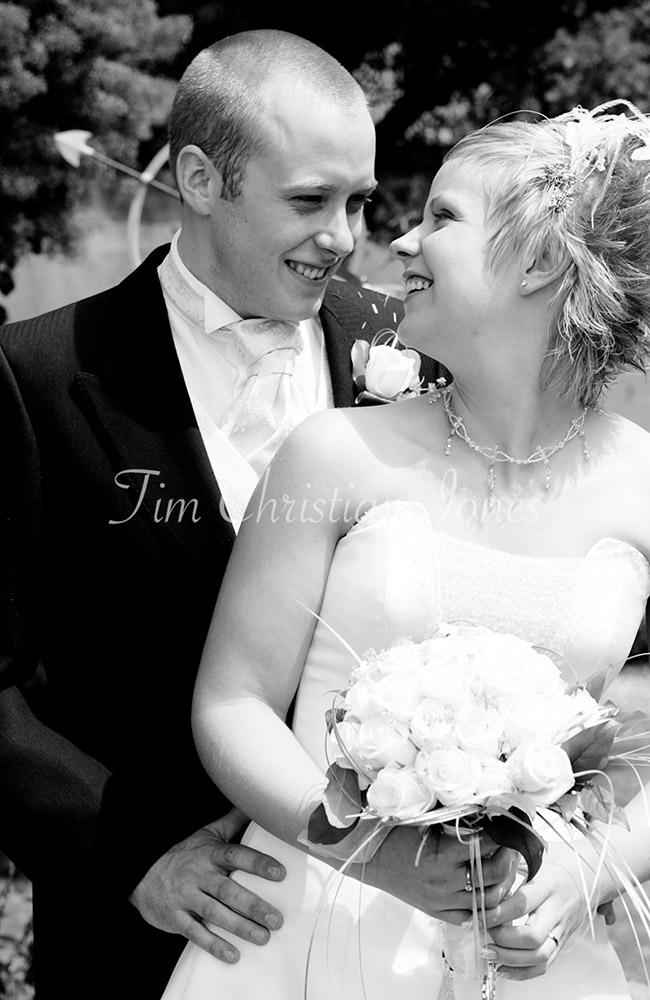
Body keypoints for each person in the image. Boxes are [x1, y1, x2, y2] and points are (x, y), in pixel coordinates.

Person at [0, 28, 470, 1000]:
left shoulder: (407, 350)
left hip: (391, 930)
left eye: (357, 202)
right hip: (151, 933)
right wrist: (126, 851)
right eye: (308, 201)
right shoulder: (36, 375)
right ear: (201, 179)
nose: (344, 237)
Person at [161, 100, 650, 1000]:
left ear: (540, 262)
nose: (400, 243)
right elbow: (233, 703)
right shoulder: (333, 453)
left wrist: (582, 877)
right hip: (315, 924)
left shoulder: (642, 482)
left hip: (525, 945)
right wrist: (363, 849)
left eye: (443, 217)